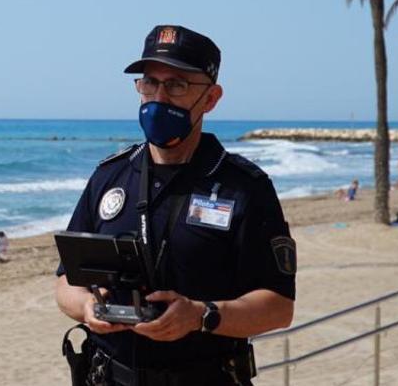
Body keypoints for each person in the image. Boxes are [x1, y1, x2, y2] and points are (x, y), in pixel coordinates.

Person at [54, 25, 294, 385]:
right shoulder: (109, 177)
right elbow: (65, 283)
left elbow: (278, 307)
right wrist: (86, 308)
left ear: (211, 98)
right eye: (149, 83)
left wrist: (202, 315)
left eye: (177, 85)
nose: (159, 98)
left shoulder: (244, 188)